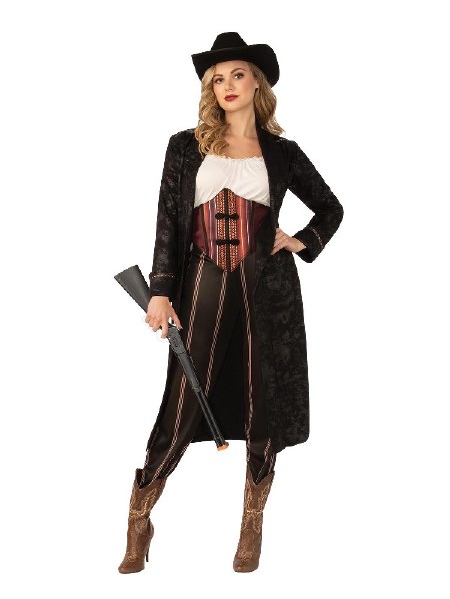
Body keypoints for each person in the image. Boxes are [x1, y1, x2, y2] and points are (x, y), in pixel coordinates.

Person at [118, 32, 344, 574]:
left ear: (257, 83)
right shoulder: (185, 146)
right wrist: (160, 289)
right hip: (201, 283)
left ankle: (251, 526)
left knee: (263, 397)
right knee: (181, 402)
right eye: (217, 79)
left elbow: (331, 208)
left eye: (237, 74)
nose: (227, 86)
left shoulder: (283, 153)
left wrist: (300, 241)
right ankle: (139, 519)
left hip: (268, 289)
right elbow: (168, 223)